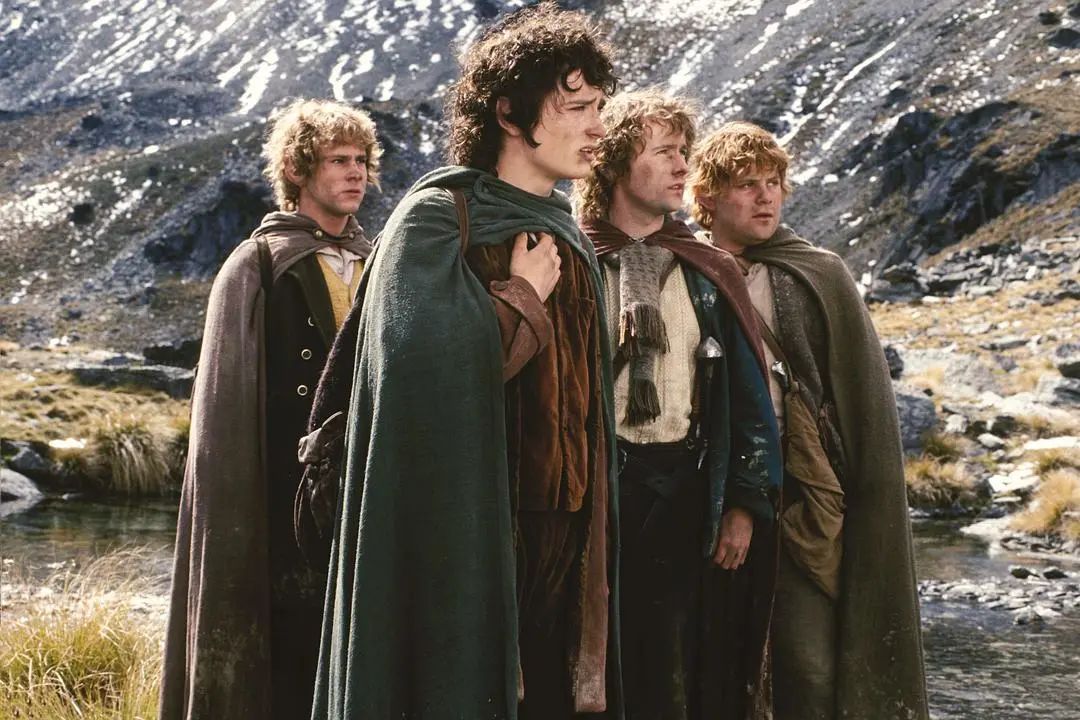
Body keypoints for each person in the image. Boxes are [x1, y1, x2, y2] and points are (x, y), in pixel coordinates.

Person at [309, 4, 622, 719]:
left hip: (566, 540)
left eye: (600, 109)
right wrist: (520, 299)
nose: (598, 128)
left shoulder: (568, 235)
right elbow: (417, 375)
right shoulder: (435, 220)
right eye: (577, 108)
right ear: (510, 114)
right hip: (468, 527)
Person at [689, 121, 929, 720]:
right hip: (701, 494)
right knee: (713, 663)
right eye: (747, 184)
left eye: (774, 183)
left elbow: (858, 400)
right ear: (709, 195)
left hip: (803, 495)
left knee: (810, 663)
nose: (766, 197)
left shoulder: (817, 272)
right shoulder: (685, 266)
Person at [159, 98, 381, 720]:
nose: (355, 172)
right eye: (337, 160)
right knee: (287, 664)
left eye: (361, 160)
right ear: (298, 169)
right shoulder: (256, 265)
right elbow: (225, 414)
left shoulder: (378, 262)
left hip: (362, 497)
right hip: (281, 504)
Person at [575, 90, 781, 720]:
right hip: (594, 495)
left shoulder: (707, 268)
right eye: (664, 151)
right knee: (594, 661)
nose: (682, 166)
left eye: (684, 151)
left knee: (681, 669)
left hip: (688, 493)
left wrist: (742, 504)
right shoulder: (573, 260)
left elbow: (748, 399)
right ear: (615, 161)